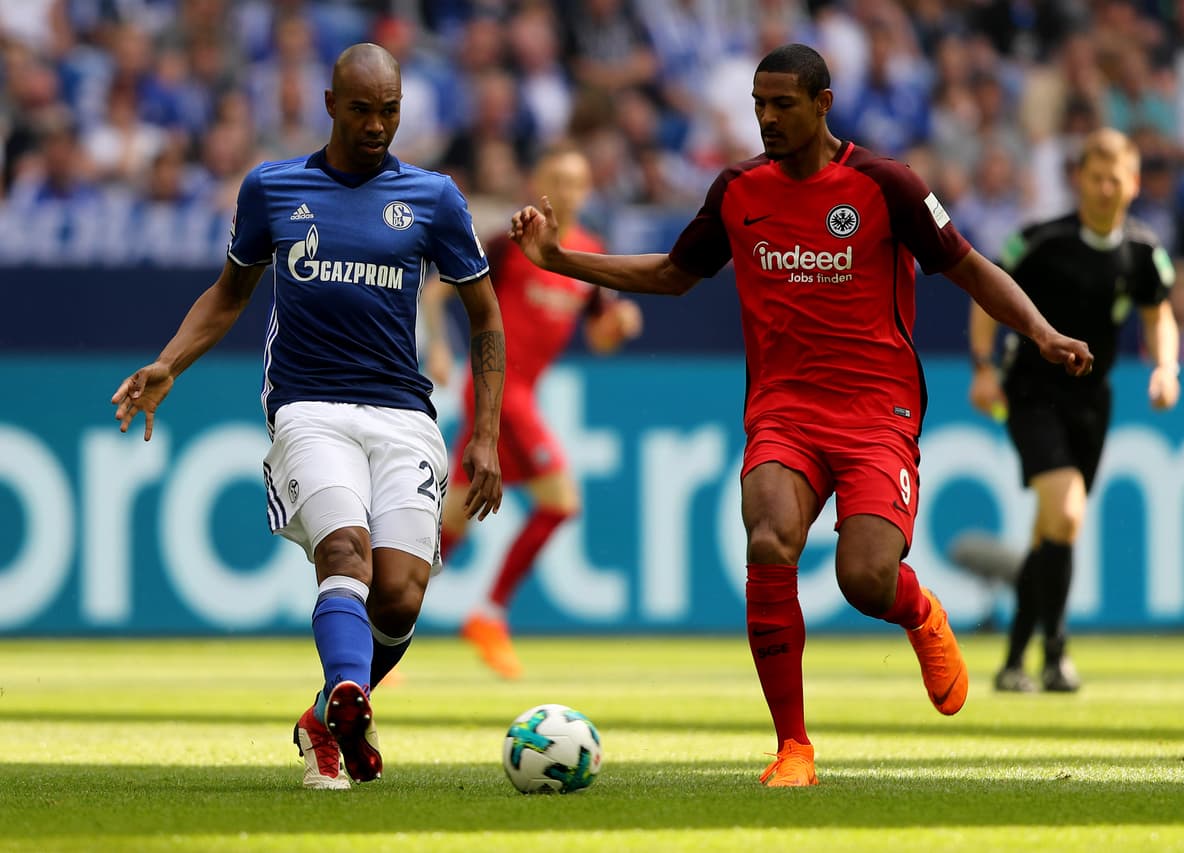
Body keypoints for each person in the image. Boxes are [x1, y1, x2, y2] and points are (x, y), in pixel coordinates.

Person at [509, 43, 1093, 788]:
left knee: (865, 577)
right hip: (784, 409)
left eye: (783, 104)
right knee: (769, 538)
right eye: (758, 104)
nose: (767, 118)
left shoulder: (888, 185)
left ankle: (919, 612)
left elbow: (969, 266)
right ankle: (794, 746)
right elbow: (672, 274)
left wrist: (1040, 332)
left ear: (823, 103)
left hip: (878, 411)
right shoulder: (738, 190)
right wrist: (561, 261)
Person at [110, 43, 506, 790]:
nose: (376, 126)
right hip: (308, 407)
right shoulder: (272, 188)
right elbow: (229, 293)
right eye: (361, 110)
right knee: (346, 552)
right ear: (329, 104)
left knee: (399, 595)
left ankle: (326, 714)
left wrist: (485, 431)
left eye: (389, 111)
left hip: (404, 412)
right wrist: (169, 360)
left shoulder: (434, 198)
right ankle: (349, 703)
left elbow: (485, 316)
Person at [966, 127, 1180, 694]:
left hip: (1093, 402)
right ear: (1078, 180)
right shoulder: (1040, 241)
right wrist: (984, 367)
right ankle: (1057, 654)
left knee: (1051, 530)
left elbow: (1159, 315)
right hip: (1033, 393)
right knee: (1066, 511)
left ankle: (1014, 661)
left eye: (1116, 178)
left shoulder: (1142, 253)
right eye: (1095, 177)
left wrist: (1166, 368)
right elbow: (987, 295)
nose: (1105, 188)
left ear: (1133, 184)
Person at [426, 144, 643, 679]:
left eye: (576, 181)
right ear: (538, 183)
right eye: (556, 179)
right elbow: (436, 294)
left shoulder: (587, 253)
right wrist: (435, 346)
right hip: (498, 392)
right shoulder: (511, 241)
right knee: (561, 499)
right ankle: (489, 614)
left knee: (455, 517)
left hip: (520, 395)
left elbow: (598, 335)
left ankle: (379, 618)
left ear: (588, 189)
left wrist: (619, 327)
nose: (566, 191)